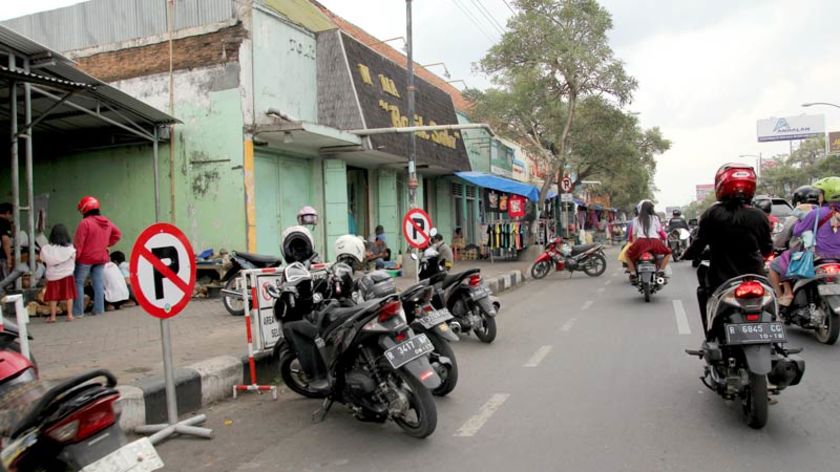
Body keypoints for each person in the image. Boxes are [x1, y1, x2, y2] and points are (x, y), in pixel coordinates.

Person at [682, 163, 772, 333]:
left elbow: (698, 244)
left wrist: (688, 255)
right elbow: (767, 248)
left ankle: (711, 334)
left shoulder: (712, 214)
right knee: (771, 297)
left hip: (722, 278)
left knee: (704, 292)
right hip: (756, 275)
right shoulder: (759, 216)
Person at [769, 177, 840, 305]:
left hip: (818, 256)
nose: (819, 196)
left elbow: (797, 231)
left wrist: (803, 216)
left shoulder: (816, 213)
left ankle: (785, 295)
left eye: (820, 193)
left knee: (775, 265)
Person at [73, 196, 121, 317]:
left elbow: (79, 244)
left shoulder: (85, 223)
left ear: (85, 209)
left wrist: (75, 258)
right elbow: (117, 235)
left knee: (78, 282)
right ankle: (99, 310)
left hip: (85, 259)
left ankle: (78, 312)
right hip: (101, 258)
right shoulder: (107, 222)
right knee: (98, 282)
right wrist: (107, 244)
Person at [625, 200, 671, 280]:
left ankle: (632, 272)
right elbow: (659, 231)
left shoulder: (636, 219)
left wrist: (634, 245)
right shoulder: (655, 218)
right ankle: (661, 270)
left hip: (641, 242)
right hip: (655, 242)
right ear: (651, 209)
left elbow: (634, 234)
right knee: (668, 252)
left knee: (627, 254)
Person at [40, 224, 76, 323]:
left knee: (53, 296)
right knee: (69, 295)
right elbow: (74, 258)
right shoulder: (70, 248)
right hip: (67, 275)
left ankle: (53, 317)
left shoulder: (46, 248)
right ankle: (69, 315)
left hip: (52, 276)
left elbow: (42, 259)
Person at [0, 203, 12, 277]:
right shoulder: (4, 222)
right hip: (1, 256)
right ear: (7, 212)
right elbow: (5, 240)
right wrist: (9, 258)